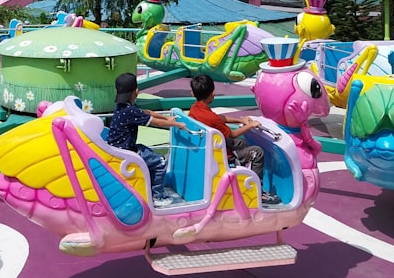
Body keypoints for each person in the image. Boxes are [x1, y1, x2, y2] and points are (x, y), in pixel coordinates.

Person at [188, 73, 281, 205]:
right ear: (212, 94)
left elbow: (219, 119)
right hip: (221, 155)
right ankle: (257, 191)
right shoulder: (210, 117)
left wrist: (240, 120)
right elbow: (232, 134)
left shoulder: (195, 110)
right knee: (257, 152)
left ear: (193, 93)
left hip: (209, 148)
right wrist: (250, 125)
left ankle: (242, 178)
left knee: (241, 143)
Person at [106, 72, 186, 206]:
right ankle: (157, 197)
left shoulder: (123, 107)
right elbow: (155, 122)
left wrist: (167, 118)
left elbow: (147, 112)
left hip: (119, 147)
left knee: (147, 151)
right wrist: (177, 124)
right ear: (136, 91)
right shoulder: (130, 111)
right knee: (160, 162)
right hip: (125, 152)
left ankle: (149, 188)